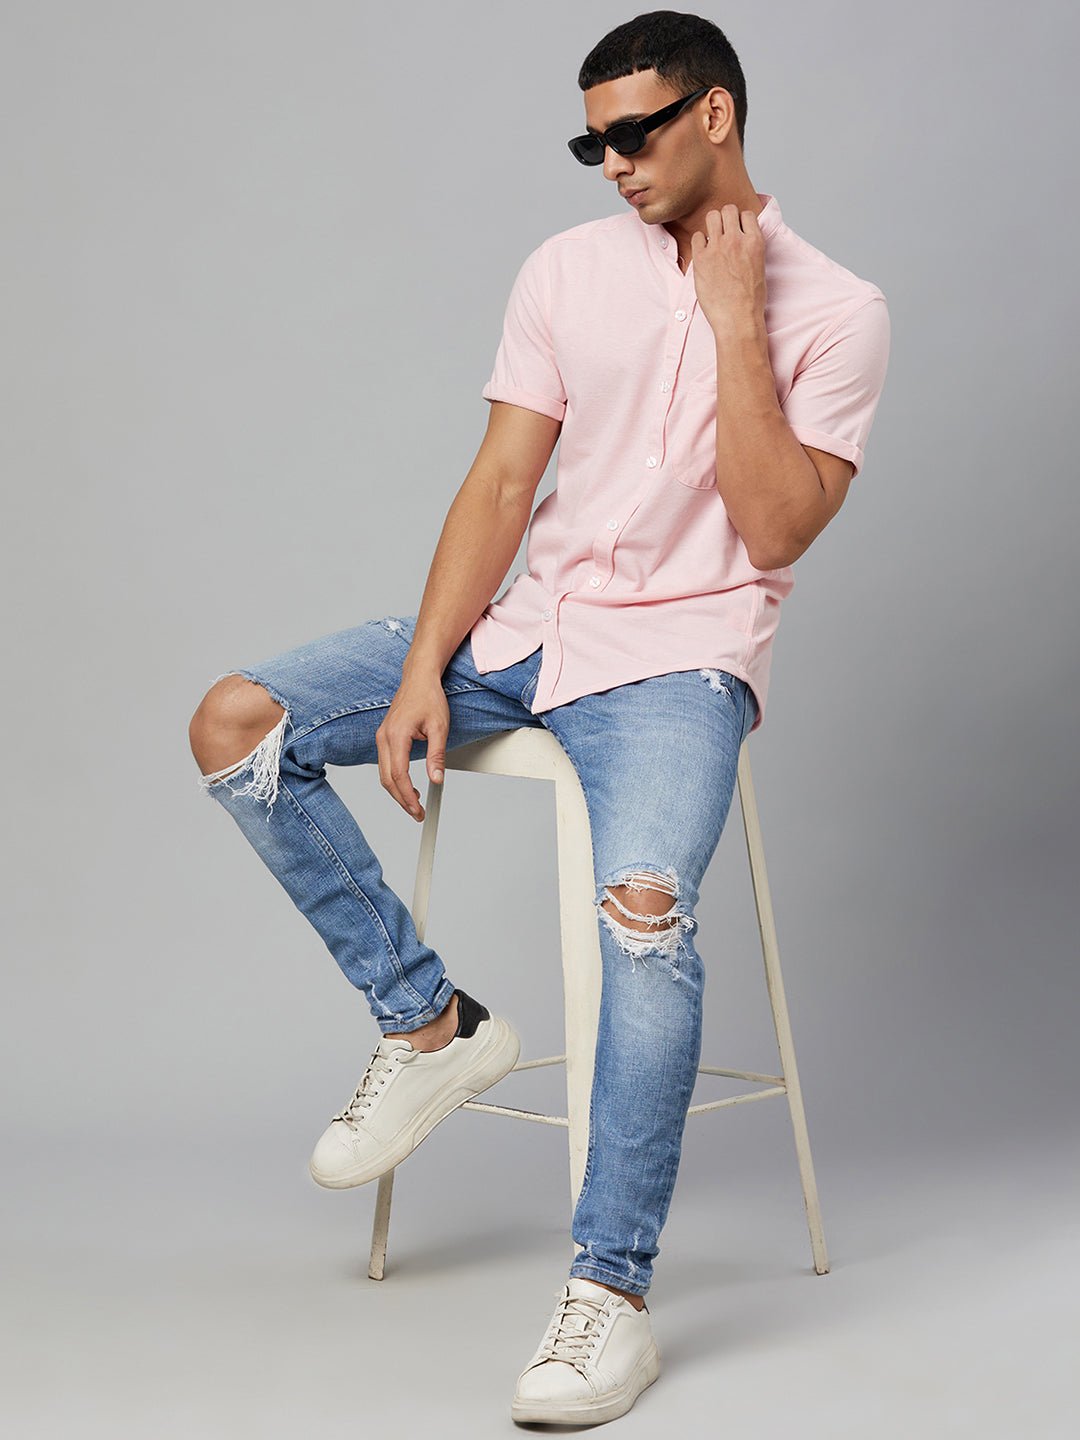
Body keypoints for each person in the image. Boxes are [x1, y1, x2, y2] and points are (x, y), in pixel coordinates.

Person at [188, 10, 890, 1428]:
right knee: (235, 722)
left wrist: (733, 318)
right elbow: (505, 483)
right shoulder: (567, 270)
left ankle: (609, 1295)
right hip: (523, 634)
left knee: (647, 910)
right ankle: (429, 1023)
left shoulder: (839, 311)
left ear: (714, 114)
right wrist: (423, 669)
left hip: (677, 662)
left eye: (634, 133)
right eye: (592, 143)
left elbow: (772, 528)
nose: (613, 163)